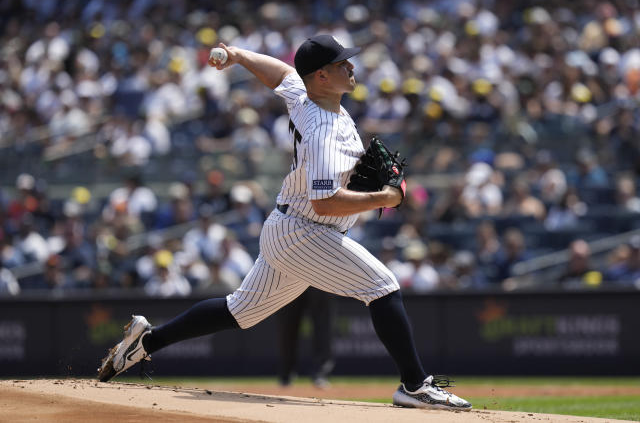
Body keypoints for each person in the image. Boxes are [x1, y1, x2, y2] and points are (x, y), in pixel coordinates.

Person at [97, 35, 471, 411]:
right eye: (343, 64)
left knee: (238, 311)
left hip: (289, 227)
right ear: (322, 76)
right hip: (305, 232)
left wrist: (240, 55)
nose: (351, 67)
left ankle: (145, 342)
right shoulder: (323, 129)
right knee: (383, 286)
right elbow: (324, 203)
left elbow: (282, 75)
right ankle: (415, 385)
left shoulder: (308, 98)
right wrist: (385, 198)